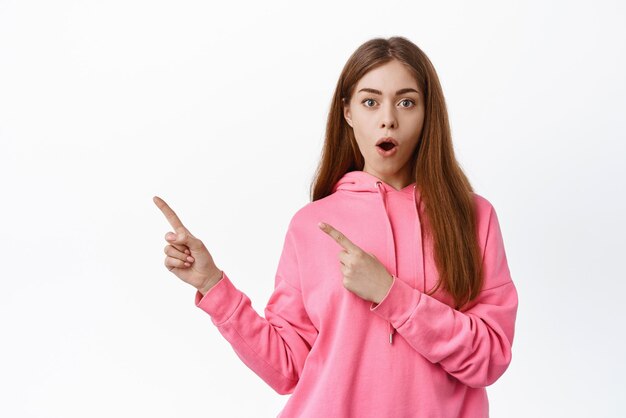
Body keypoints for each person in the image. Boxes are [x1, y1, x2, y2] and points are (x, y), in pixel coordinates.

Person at [153, 36, 519, 418]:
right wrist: (212, 286)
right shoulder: (311, 225)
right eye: (370, 102)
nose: (388, 118)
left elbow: (490, 359)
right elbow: (287, 369)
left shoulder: (472, 217)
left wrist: (390, 294)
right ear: (347, 113)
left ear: (428, 113)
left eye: (406, 102)